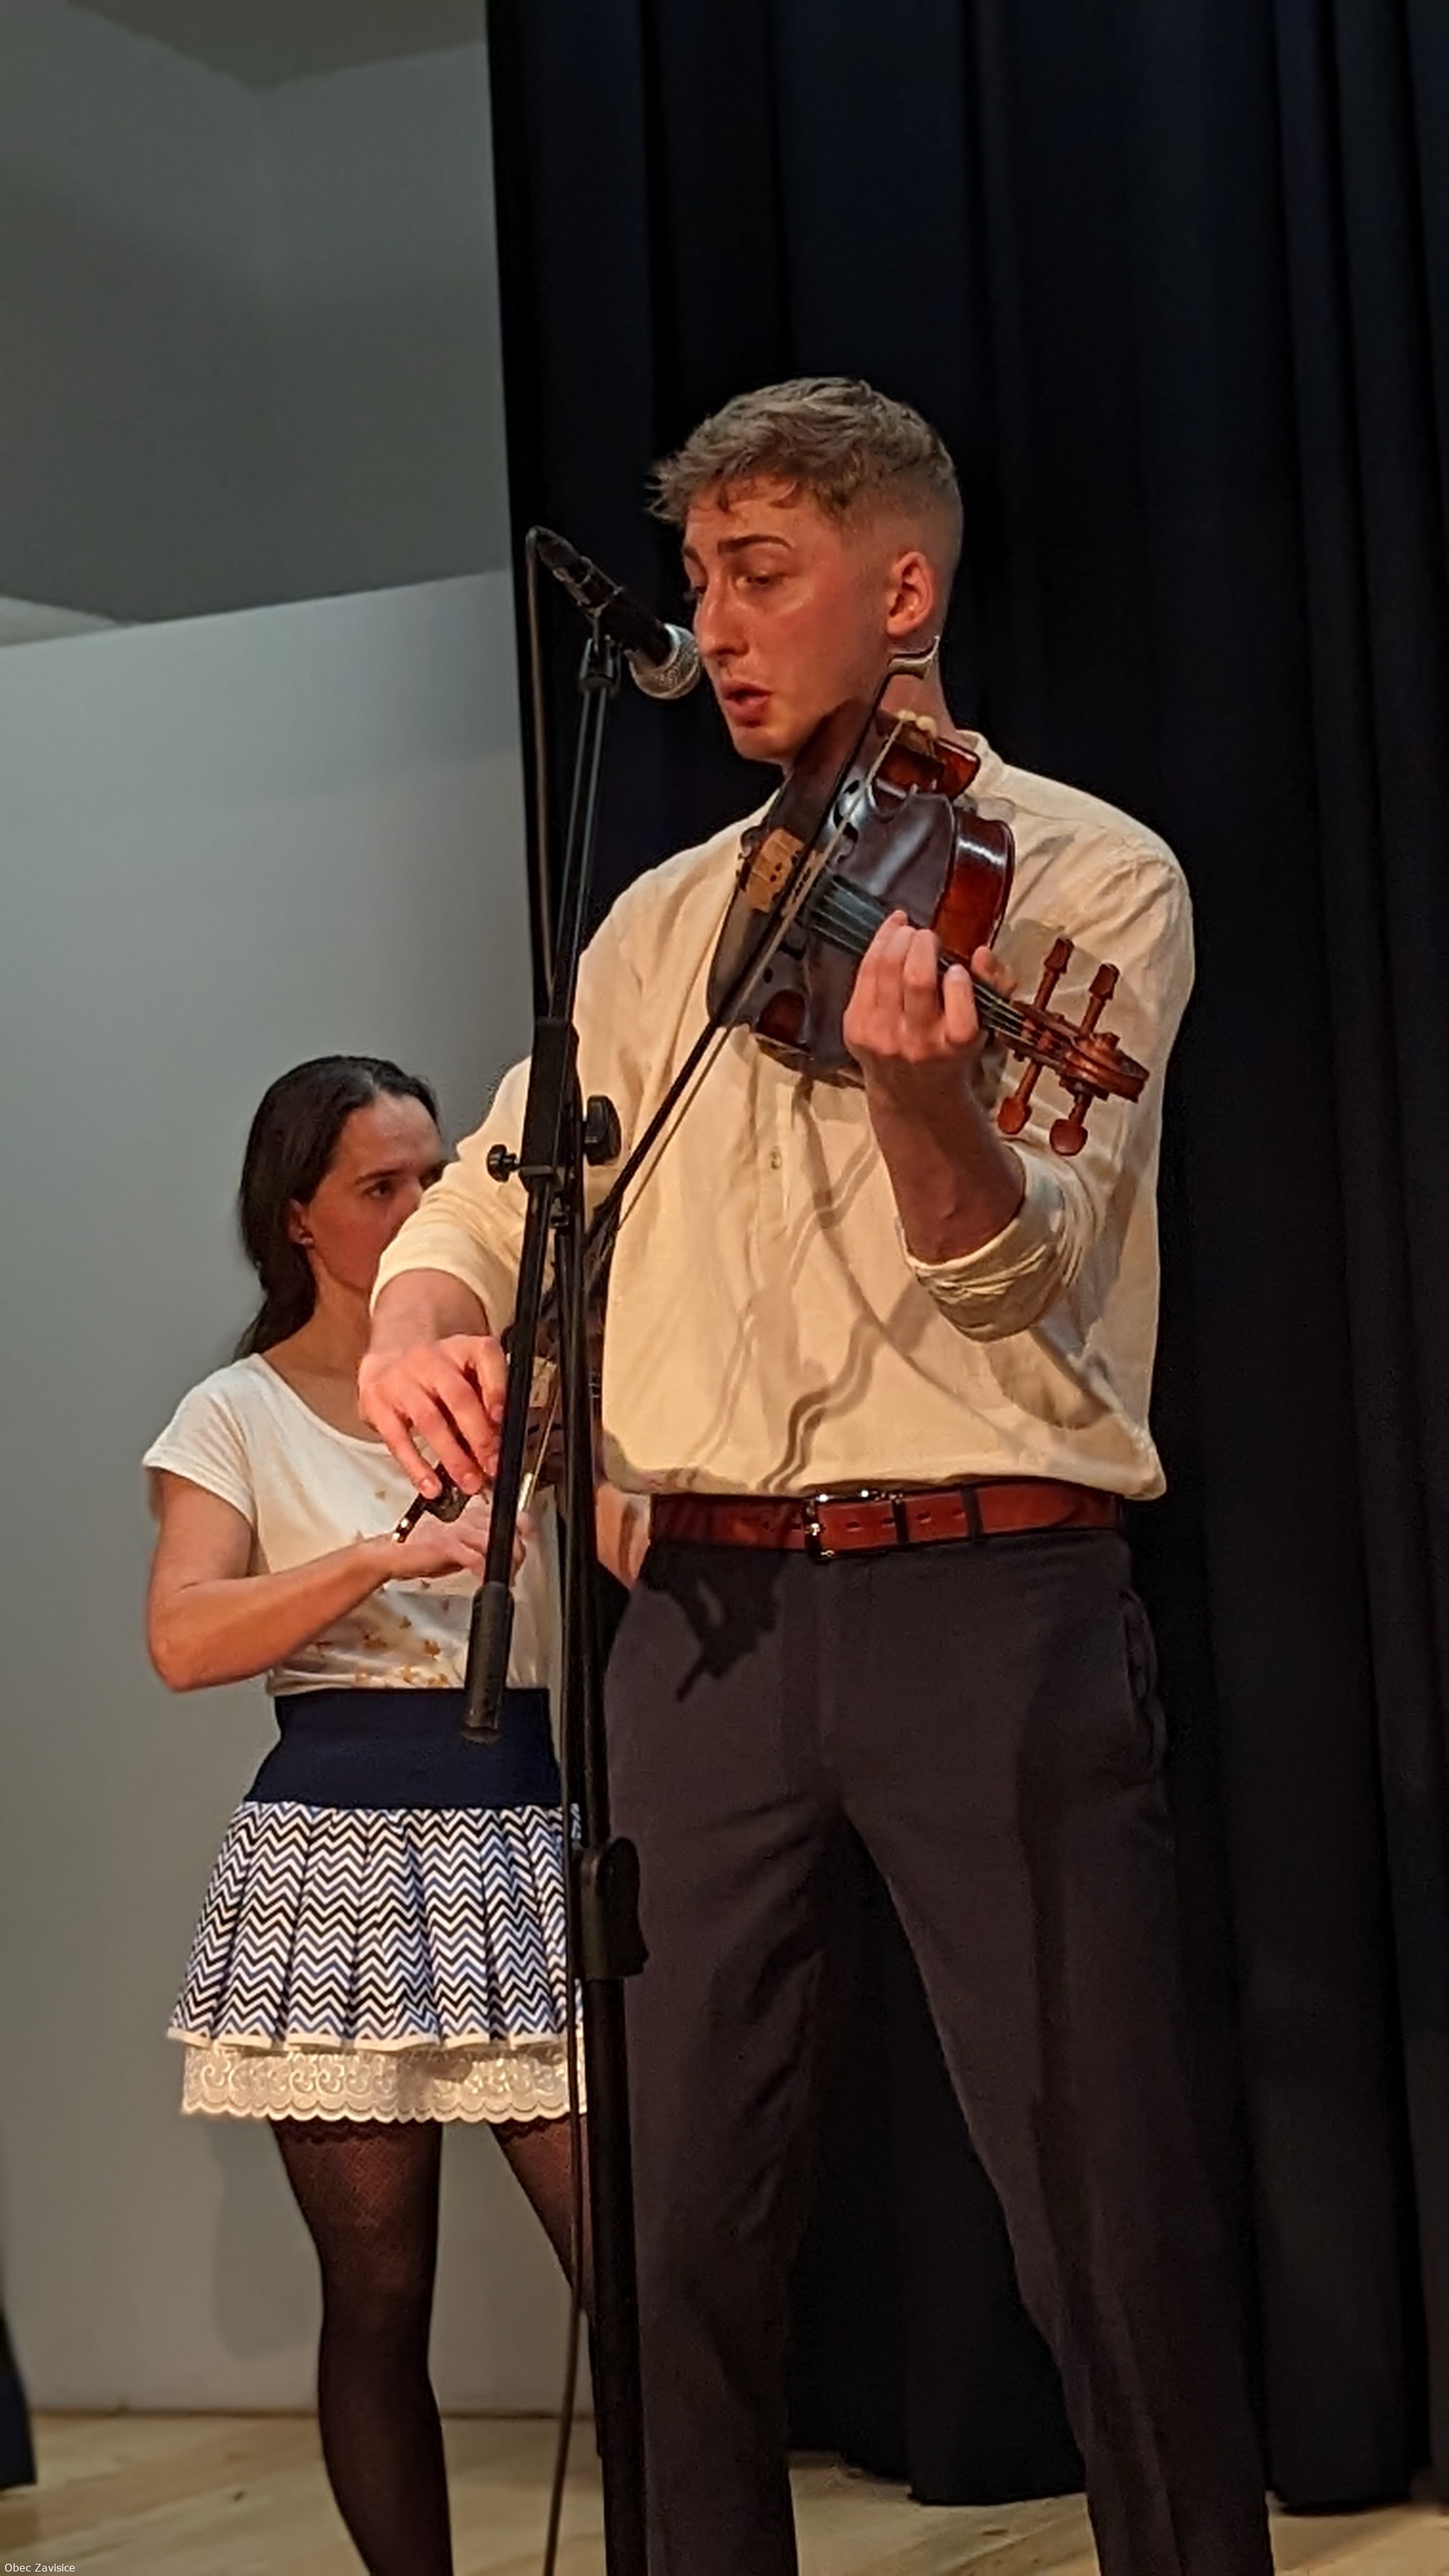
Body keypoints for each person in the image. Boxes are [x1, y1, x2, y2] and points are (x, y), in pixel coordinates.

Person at [357, 380, 1273, 2576]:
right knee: (669, 2228)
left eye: (759, 575)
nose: (714, 627)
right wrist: (422, 1316)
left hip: (986, 1593)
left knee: (1099, 2208)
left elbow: (1016, 1275)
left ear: (903, 586)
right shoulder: (662, 921)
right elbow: (490, 1190)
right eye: (695, 581)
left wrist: (925, 1104)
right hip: (700, 1625)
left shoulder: (1079, 877)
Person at [144, 1055, 585, 2576]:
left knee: (642, 2272)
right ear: (299, 1220)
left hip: (519, 1832)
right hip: (333, 1858)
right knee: (380, 2298)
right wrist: (372, 1564)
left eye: (433, 1179)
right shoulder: (236, 1413)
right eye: (377, 1187)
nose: (415, 1211)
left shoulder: (513, 1390)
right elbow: (182, 1637)